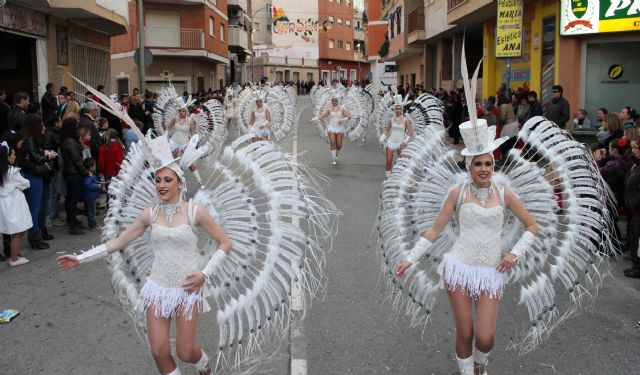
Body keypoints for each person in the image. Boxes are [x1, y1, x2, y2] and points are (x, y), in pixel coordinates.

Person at [57, 142, 232, 375]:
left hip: (188, 289)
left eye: (167, 180)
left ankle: (203, 364)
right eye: (157, 180)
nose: (161, 185)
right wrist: (80, 258)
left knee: (185, 351)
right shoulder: (150, 214)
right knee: (159, 352)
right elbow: (119, 241)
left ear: (180, 183)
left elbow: (225, 243)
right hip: (157, 288)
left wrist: (204, 274)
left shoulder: (195, 212)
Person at [395, 118, 538, 375]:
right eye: (478, 164)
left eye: (488, 163)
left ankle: (481, 363)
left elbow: (532, 226)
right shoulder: (458, 193)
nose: (483, 169)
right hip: (459, 268)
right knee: (466, 331)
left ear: (494, 165)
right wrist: (410, 258)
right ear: (469, 167)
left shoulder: (505, 194)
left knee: (485, 337)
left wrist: (515, 253)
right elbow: (435, 229)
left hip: (491, 272)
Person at [19, 114, 57, 249]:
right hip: (33, 177)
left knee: (36, 208)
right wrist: (48, 156)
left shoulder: (30, 140)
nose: (43, 127)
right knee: (34, 209)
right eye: (41, 125)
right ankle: (35, 238)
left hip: (34, 176)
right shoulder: (30, 141)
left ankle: (36, 235)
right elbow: (37, 159)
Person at [0, 143, 32, 266]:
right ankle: (14, 259)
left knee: (15, 231)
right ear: (6, 157)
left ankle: (13, 255)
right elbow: (25, 184)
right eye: (13, 155)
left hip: (4, 204)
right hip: (14, 203)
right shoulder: (12, 172)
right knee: (18, 231)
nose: (14, 157)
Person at [60, 116, 91, 235]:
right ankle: (73, 223)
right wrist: (85, 171)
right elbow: (76, 160)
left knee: (71, 199)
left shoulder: (67, 140)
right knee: (72, 199)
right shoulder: (70, 142)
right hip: (73, 173)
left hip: (71, 172)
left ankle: (72, 220)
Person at [166, 97, 203, 186]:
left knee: (189, 163)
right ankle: (172, 181)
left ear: (186, 112)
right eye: (180, 111)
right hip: (174, 142)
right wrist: (166, 134)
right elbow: (168, 126)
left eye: (183, 111)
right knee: (171, 161)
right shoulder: (175, 119)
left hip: (184, 143)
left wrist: (194, 144)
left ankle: (199, 181)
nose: (181, 112)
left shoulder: (190, 121)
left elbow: (193, 134)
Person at [311, 91, 351, 165]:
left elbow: (349, 116)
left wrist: (342, 120)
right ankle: (334, 159)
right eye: (333, 100)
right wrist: (313, 119)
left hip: (340, 128)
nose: (334, 102)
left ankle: (336, 154)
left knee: (339, 145)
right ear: (331, 101)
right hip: (331, 128)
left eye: (335, 100)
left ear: (338, 101)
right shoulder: (329, 110)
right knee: (333, 142)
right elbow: (321, 116)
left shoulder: (342, 109)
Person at [379, 95, 413, 178]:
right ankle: (387, 177)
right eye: (396, 109)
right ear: (394, 110)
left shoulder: (406, 120)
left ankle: (400, 177)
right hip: (391, 142)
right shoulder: (391, 120)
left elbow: (410, 131)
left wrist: (405, 142)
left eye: (399, 109)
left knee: (402, 162)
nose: (398, 111)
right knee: (389, 160)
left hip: (401, 143)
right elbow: (386, 130)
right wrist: (382, 138)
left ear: (402, 110)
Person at [624, 136, 640, 278]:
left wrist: (636, 201)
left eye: (636, 147)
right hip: (633, 208)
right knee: (635, 238)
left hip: (637, 208)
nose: (633, 150)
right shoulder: (636, 164)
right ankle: (636, 265)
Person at [82, 158, 101, 230]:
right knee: (92, 212)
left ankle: (92, 224)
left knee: (91, 211)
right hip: (90, 196)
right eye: (94, 165)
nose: (95, 166)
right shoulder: (88, 175)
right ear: (90, 167)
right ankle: (93, 225)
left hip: (90, 196)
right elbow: (88, 185)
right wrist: (97, 186)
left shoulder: (89, 174)